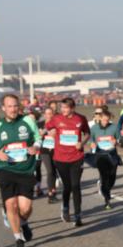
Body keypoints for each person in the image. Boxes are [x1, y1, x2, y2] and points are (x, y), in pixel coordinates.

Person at [0, 93, 41, 247]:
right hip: (6, 169)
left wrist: (35, 147)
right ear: (3, 108)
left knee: (25, 208)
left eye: (15, 106)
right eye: (9, 106)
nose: (13, 109)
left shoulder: (27, 121)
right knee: (11, 206)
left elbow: (37, 138)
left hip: (26, 169)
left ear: (19, 107)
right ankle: (18, 239)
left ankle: (23, 223)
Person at [45, 97, 90, 226]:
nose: (63, 110)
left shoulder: (80, 119)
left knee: (76, 186)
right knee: (67, 186)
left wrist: (82, 142)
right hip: (60, 158)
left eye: (65, 108)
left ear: (72, 108)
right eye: (61, 108)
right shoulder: (57, 118)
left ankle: (78, 215)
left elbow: (87, 133)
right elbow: (48, 127)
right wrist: (51, 132)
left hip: (77, 157)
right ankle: (65, 207)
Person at [87, 106, 122, 210]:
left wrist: (117, 142)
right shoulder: (94, 128)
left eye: (107, 120)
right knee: (104, 176)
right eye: (104, 120)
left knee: (112, 177)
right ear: (100, 118)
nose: (105, 122)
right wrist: (91, 144)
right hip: (100, 155)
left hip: (112, 155)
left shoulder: (114, 127)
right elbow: (90, 140)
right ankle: (107, 199)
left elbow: (119, 140)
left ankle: (106, 189)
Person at [37, 104, 59, 203]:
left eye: (50, 114)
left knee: (54, 171)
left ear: (53, 114)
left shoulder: (57, 124)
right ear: (44, 115)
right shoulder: (40, 124)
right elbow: (36, 137)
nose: (48, 116)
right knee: (49, 170)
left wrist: (55, 135)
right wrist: (40, 134)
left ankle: (53, 191)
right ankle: (50, 193)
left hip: (55, 149)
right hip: (44, 150)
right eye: (46, 114)